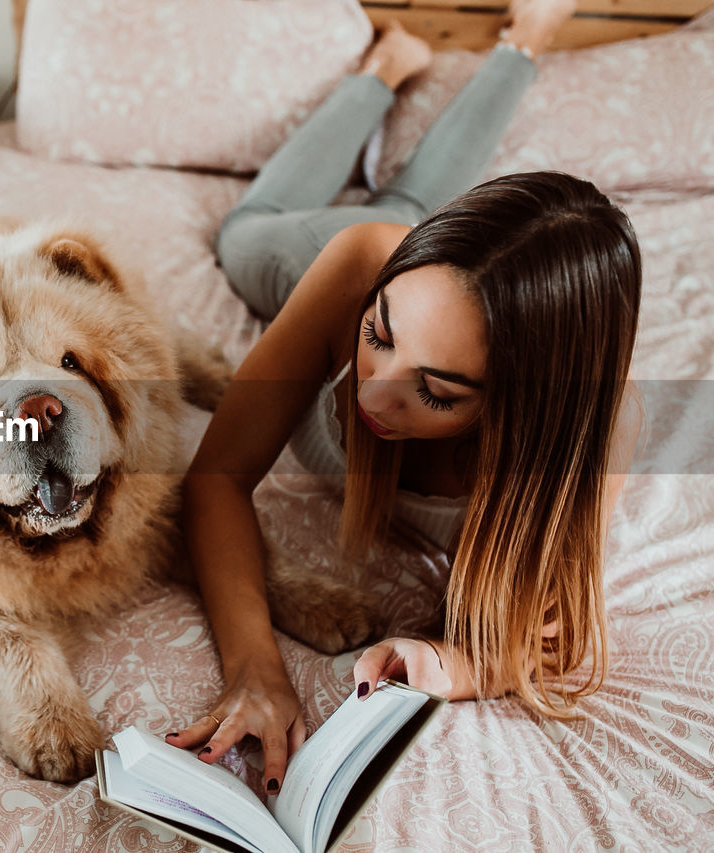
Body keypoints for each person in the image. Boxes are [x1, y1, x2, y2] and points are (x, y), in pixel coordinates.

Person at [170, 0, 646, 798]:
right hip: (346, 255)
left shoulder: (591, 434)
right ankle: (383, 70)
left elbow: (547, 633)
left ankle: (523, 42)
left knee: (407, 208)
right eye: (378, 337)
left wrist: (451, 664)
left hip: (418, 267)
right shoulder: (363, 273)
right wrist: (258, 669)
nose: (374, 392)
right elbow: (215, 475)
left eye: (436, 389)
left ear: (522, 407)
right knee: (249, 229)